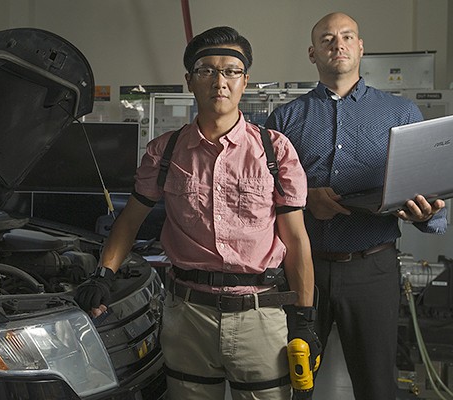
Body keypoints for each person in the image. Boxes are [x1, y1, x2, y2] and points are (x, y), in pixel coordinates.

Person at [75, 26, 320, 400]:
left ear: (244, 81)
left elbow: (296, 239)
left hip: (259, 316)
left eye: (230, 71)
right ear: (190, 80)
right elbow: (130, 220)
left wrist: (304, 321)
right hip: (186, 316)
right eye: (207, 70)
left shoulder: (275, 151)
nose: (219, 81)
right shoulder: (164, 152)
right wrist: (103, 274)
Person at [265, 12, 447, 400]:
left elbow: (425, 189)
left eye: (347, 36)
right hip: (301, 269)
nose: (338, 44)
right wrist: (306, 200)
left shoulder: (401, 114)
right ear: (313, 53)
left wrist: (428, 213)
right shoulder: (284, 119)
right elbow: (263, 195)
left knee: (376, 385)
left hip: (373, 268)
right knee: (291, 381)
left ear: (361, 47)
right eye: (328, 39)